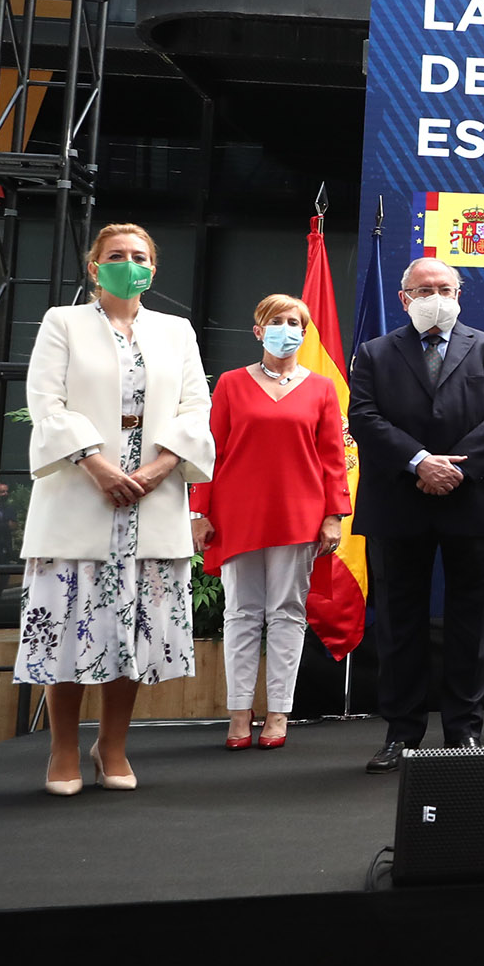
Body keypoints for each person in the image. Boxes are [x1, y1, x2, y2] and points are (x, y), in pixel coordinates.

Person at [15, 223, 214, 794]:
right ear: (94, 266)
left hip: (151, 500)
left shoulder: (176, 331)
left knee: (133, 633)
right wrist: (97, 464)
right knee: (67, 632)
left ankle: (113, 745)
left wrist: (157, 469)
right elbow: (45, 402)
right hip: (80, 494)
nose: (130, 264)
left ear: (154, 268)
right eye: (117, 256)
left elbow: (196, 406)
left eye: (140, 256)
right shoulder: (64, 322)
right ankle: (61, 751)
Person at [350, 257, 484, 772]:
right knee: (400, 625)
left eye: (445, 288)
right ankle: (402, 734)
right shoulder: (374, 353)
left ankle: (464, 732)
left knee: (470, 624)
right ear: (405, 299)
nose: (436, 296)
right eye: (425, 290)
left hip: (473, 502)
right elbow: (363, 417)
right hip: (398, 505)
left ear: (460, 293)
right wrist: (420, 462)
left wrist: (454, 470)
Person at [189, 294, 349, 751]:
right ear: (258, 331)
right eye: (275, 321)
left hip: (300, 514)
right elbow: (209, 453)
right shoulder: (230, 384)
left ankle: (279, 711)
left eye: (294, 321)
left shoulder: (321, 389)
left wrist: (333, 516)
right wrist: (199, 512)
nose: (286, 328)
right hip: (236, 515)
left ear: (305, 331)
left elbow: (332, 459)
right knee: (240, 612)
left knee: (286, 613)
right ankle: (240, 711)